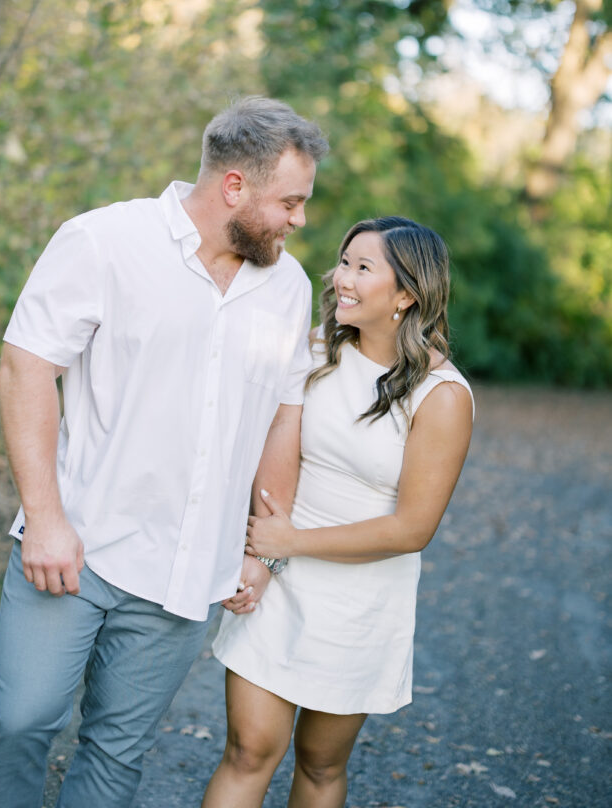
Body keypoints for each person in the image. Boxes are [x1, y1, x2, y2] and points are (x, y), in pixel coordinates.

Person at [0, 96, 329, 808]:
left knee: (116, 751)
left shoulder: (286, 286)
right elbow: (26, 366)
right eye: (289, 201)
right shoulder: (104, 240)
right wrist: (44, 518)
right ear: (234, 186)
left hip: (189, 571)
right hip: (76, 547)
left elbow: (283, 420)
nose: (299, 219)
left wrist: (259, 549)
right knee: (17, 722)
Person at [203, 215, 474, 808]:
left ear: (406, 294)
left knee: (321, 765)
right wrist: (263, 556)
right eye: (344, 262)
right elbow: (277, 447)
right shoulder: (315, 349)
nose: (341, 278)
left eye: (362, 267)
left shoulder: (442, 397)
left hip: (361, 596)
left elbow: (412, 528)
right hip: (277, 575)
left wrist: (291, 542)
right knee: (249, 748)